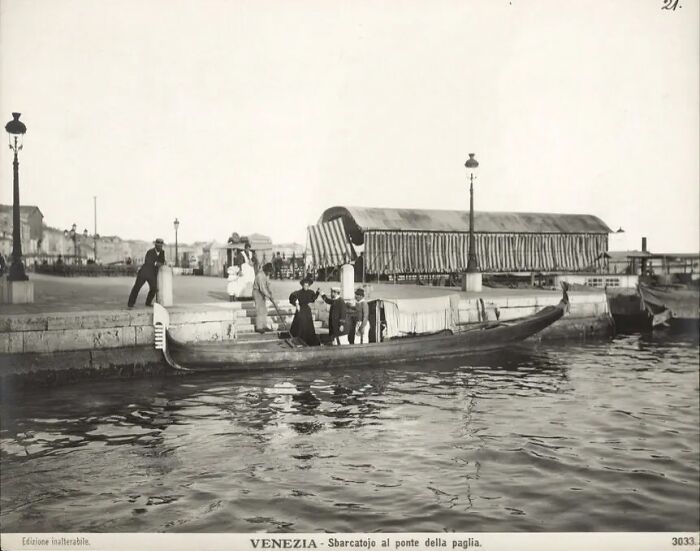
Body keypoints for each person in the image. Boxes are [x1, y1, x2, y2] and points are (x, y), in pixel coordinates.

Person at [127, 238, 165, 307]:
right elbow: (148, 262)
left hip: (152, 274)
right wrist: (157, 263)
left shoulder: (162, 252)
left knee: (154, 288)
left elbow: (162, 261)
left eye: (161, 245)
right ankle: (130, 304)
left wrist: (158, 263)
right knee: (137, 287)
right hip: (143, 273)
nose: (160, 247)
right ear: (155, 245)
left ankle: (148, 302)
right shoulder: (150, 252)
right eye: (158, 245)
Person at [289, 276, 321, 346]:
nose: (306, 286)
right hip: (300, 310)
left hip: (307, 311)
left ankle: (308, 341)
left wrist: (317, 293)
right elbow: (292, 296)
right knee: (300, 325)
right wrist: (297, 303)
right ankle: (298, 340)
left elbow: (313, 298)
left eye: (307, 285)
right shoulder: (298, 292)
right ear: (302, 285)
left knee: (308, 326)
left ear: (309, 286)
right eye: (304, 285)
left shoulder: (311, 292)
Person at [252, 263, 274, 333]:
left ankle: (264, 325)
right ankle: (259, 327)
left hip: (262, 293)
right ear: (266, 270)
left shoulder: (266, 275)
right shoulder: (260, 276)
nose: (269, 273)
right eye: (269, 271)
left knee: (264, 310)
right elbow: (262, 288)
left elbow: (268, 284)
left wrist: (270, 292)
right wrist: (269, 296)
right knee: (259, 310)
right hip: (257, 292)